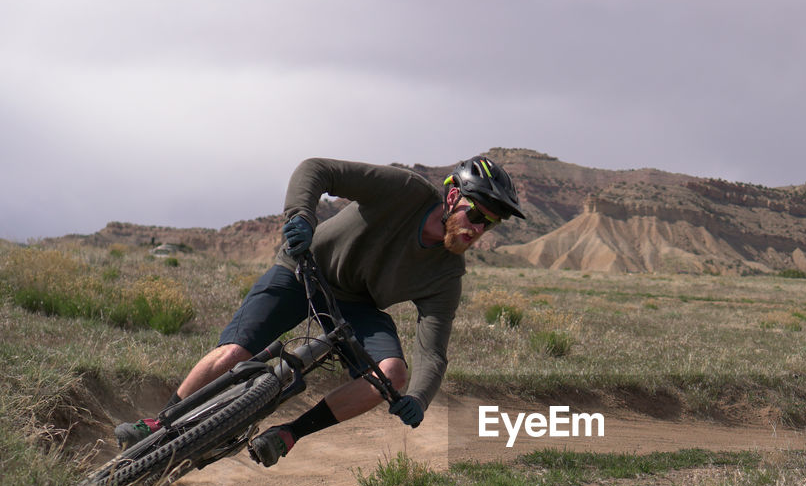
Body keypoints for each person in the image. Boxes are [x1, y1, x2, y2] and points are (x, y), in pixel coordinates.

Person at [115, 155, 525, 466]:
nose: (476, 228)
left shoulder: (447, 275)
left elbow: (432, 351)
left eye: (488, 224)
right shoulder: (406, 191)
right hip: (302, 268)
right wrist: (301, 217)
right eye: (474, 213)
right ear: (453, 196)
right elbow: (316, 169)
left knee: (393, 374)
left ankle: (289, 435)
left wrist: (419, 397)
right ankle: (158, 423)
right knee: (236, 354)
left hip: (355, 305)